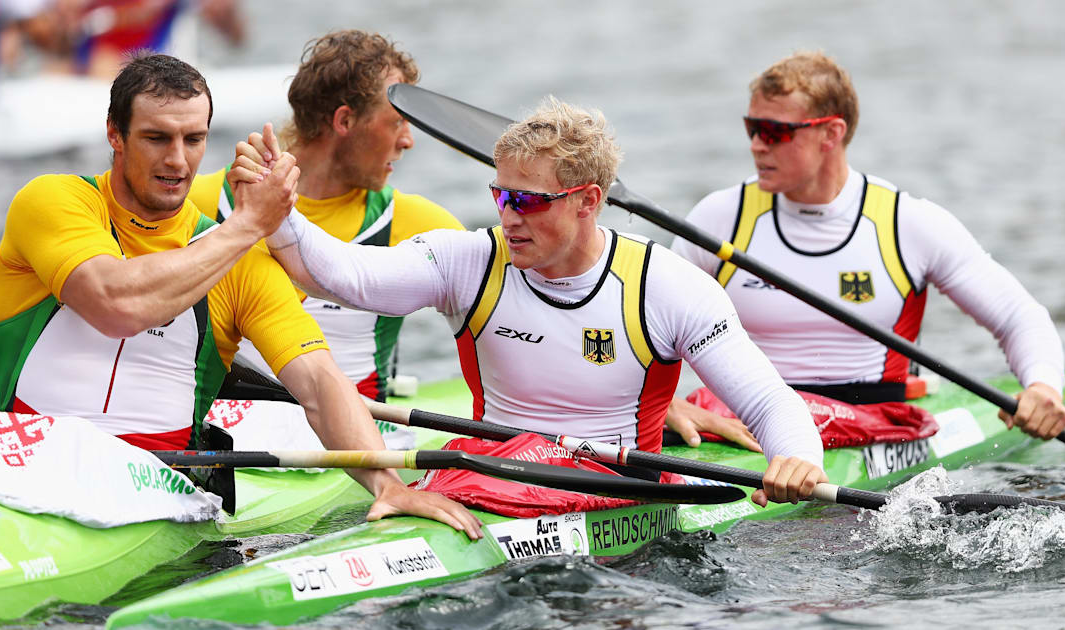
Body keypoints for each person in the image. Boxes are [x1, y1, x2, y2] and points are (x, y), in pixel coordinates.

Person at [238, 97, 827, 507]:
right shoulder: (470, 260)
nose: (509, 216)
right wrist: (277, 211)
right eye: (501, 194)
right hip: (494, 479)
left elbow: (770, 403)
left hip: (620, 497)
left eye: (530, 201)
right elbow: (342, 277)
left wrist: (797, 458)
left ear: (587, 201)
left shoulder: (663, 284)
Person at [0, 52, 481, 538]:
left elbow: (318, 380)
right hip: (28, 469)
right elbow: (116, 307)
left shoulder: (244, 264)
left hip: (154, 492)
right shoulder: (54, 201)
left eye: (194, 139)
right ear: (114, 134)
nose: (177, 160)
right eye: (156, 138)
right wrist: (247, 225)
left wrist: (387, 483)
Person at [668, 50, 1065, 441]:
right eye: (752, 128)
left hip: (871, 418)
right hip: (743, 417)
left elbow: (1018, 317)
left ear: (831, 133)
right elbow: (642, 314)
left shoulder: (905, 224)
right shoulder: (720, 218)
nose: (757, 144)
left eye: (776, 132)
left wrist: (1043, 387)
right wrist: (668, 406)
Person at [189, 29, 465, 402]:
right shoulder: (204, 202)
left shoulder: (416, 223)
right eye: (397, 121)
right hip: (234, 433)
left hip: (356, 438)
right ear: (345, 121)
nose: (408, 140)